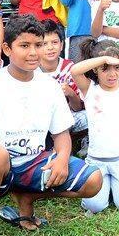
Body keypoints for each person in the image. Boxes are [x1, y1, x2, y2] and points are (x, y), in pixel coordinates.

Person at [0, 16, 102, 236]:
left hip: (33, 162)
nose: (33, 52)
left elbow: (62, 136)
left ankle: (26, 196)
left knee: (94, 180)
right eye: (24, 45)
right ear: (7, 48)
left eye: (38, 45)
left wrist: (62, 158)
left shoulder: (50, 86)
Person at [71, 40, 119, 214]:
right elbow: (75, 70)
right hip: (97, 161)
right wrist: (104, 58)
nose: (112, 74)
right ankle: (108, 187)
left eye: (117, 68)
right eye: (105, 68)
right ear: (95, 69)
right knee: (94, 206)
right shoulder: (90, 89)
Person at [38, 19, 88, 156]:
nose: (50, 47)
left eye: (54, 42)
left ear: (61, 45)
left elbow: (78, 108)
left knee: (91, 114)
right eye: (44, 44)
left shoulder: (70, 68)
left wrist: (71, 93)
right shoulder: (32, 70)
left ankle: (85, 141)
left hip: (68, 117)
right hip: (39, 120)